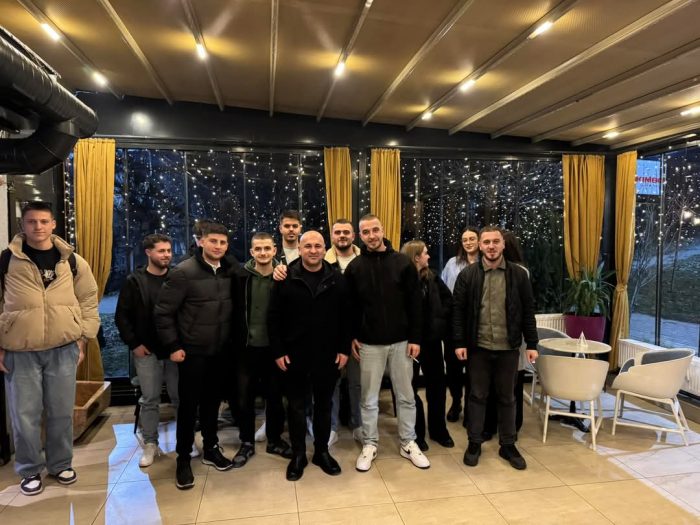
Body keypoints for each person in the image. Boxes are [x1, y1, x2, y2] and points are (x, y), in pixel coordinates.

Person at [0, 201, 99, 496]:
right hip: (20, 351)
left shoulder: (72, 260)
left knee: (60, 412)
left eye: (44, 221)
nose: (38, 227)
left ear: (53, 224)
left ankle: (60, 464)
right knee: (24, 415)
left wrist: (83, 337)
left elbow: (88, 298)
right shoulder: (6, 260)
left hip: (63, 348)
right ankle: (29, 470)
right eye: (32, 221)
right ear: (23, 225)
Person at [344, 214, 429, 472]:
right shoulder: (355, 267)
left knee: (406, 396)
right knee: (368, 398)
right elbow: (349, 308)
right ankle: (370, 443)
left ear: (383, 230)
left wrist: (416, 338)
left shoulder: (402, 263)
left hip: (402, 342)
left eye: (375, 230)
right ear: (360, 235)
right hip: (369, 344)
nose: (371, 235)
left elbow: (415, 305)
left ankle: (408, 442)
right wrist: (351, 336)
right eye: (366, 232)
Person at [155, 221, 235, 489]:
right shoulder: (183, 272)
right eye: (213, 241)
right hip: (192, 353)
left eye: (223, 242)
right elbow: (163, 313)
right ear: (201, 241)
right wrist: (173, 346)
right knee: (189, 407)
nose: (218, 247)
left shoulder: (228, 271)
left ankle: (211, 448)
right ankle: (183, 459)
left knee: (212, 404)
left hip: (219, 351)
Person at [452, 226, 538, 470]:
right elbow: (458, 312)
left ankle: (507, 445)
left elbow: (528, 310)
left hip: (508, 347)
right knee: (477, 396)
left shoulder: (518, 275)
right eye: (486, 242)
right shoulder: (468, 275)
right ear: (480, 246)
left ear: (503, 244)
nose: (491, 246)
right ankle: (474, 442)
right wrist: (459, 342)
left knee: (507, 398)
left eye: (495, 242)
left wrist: (532, 343)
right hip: (477, 347)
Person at [268, 231, 351, 481]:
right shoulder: (285, 277)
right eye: (308, 246)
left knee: (324, 406)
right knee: (295, 407)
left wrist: (344, 349)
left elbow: (346, 317)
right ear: (300, 249)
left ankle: (321, 452)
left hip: (327, 355)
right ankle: (298, 455)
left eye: (317, 246)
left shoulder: (337, 278)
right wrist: (278, 350)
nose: (313, 250)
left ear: (325, 248)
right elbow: (273, 318)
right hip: (294, 355)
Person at [115, 233, 178, 468]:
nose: (166, 255)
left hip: (175, 350)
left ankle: (186, 440)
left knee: (180, 397)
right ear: (148, 253)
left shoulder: (177, 278)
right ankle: (150, 443)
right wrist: (134, 344)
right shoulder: (134, 281)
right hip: (146, 350)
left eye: (169, 250)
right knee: (150, 399)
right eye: (161, 251)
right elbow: (122, 316)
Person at [231, 232, 292, 468]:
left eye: (267, 248)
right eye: (258, 249)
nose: (263, 253)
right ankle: (246, 442)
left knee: (275, 398)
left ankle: (274, 440)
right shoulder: (240, 276)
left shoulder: (284, 276)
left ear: (275, 250)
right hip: (246, 349)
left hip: (274, 349)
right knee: (244, 399)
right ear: (252, 252)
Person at [400, 240, 454, 451]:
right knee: (410, 390)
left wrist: (438, 320)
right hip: (408, 344)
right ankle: (417, 433)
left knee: (437, 388)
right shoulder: (401, 280)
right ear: (416, 257)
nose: (428, 256)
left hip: (432, 342)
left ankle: (439, 431)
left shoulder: (432, 277)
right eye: (425, 253)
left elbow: (448, 301)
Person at [324, 219, 362, 445]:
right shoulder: (322, 262)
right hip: (332, 334)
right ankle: (331, 427)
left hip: (359, 334)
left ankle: (358, 425)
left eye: (346, 232)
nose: (342, 236)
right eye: (337, 232)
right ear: (332, 236)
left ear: (353, 235)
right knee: (333, 383)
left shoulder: (364, 261)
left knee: (357, 383)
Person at [442, 226, 479, 423]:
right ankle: (456, 402)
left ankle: (472, 408)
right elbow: (443, 289)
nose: (468, 242)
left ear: (479, 240)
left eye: (472, 238)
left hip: (476, 325)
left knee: (474, 369)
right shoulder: (452, 263)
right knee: (453, 369)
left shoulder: (485, 264)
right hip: (453, 324)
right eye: (465, 240)